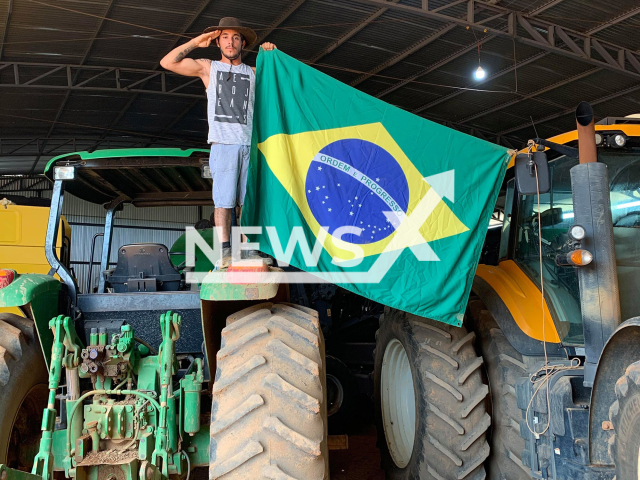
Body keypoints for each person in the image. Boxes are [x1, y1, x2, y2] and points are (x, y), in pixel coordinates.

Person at [160, 17, 276, 267]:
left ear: (243, 43)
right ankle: (225, 251)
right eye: (225, 37)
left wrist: (271, 55)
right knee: (223, 200)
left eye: (236, 37)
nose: (230, 42)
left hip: (250, 145)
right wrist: (196, 42)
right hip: (223, 144)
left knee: (248, 201)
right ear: (218, 42)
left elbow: (280, 79)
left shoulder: (255, 72)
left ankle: (248, 250)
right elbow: (167, 62)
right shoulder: (208, 67)